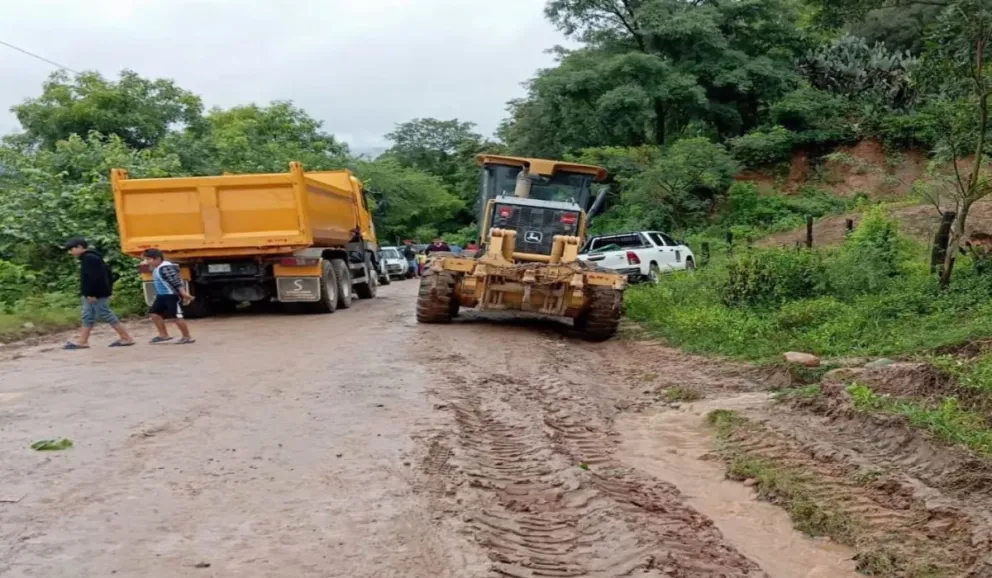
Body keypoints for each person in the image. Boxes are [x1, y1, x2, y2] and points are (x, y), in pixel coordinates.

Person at [62, 238, 135, 349]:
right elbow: (109, 274)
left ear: (80, 247)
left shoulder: (89, 259)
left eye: (71, 249)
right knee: (88, 316)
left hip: (95, 294)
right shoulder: (93, 257)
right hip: (95, 293)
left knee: (106, 313)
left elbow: (93, 278)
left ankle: (126, 337)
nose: (70, 252)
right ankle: (83, 341)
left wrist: (91, 293)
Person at [141, 248, 195, 344]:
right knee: (154, 314)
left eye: (149, 259)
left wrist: (184, 293)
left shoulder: (165, 268)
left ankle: (187, 337)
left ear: (157, 259)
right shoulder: (157, 267)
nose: (147, 261)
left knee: (176, 317)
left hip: (171, 295)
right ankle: (163, 335)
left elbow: (176, 282)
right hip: (162, 295)